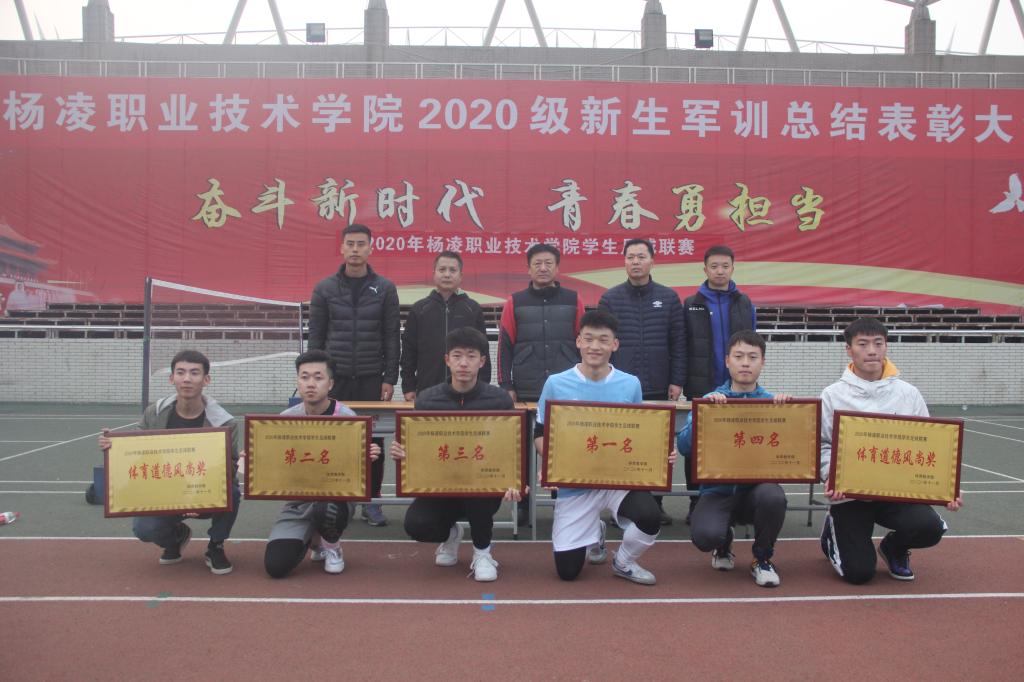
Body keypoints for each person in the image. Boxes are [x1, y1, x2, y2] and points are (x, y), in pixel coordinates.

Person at [535, 309, 677, 585]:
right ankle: (595, 532)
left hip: (618, 480)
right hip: (575, 482)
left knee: (650, 517)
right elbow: (540, 433)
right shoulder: (556, 383)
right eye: (588, 339)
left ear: (615, 344)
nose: (595, 346)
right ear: (578, 341)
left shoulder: (630, 384)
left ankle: (623, 561)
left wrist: (661, 453)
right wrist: (552, 462)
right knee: (567, 572)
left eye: (603, 340)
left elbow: (640, 433)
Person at [819, 317, 963, 584]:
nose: (871, 351)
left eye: (878, 343)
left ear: (886, 346)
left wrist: (946, 488)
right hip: (850, 496)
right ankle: (832, 532)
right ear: (849, 349)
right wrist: (831, 476)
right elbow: (823, 444)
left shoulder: (908, 394)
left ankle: (894, 548)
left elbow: (930, 444)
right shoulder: (832, 394)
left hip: (896, 492)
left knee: (930, 528)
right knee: (859, 574)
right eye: (863, 344)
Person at [391, 327, 522, 582]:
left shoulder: (499, 401)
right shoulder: (427, 401)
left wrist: (515, 480)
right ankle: (451, 535)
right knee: (417, 524)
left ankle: (482, 552)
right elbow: (416, 445)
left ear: (482, 361)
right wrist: (402, 451)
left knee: (478, 489)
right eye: (457, 356)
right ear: (447, 360)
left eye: (471, 356)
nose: (464, 363)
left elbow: (512, 448)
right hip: (441, 486)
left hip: (483, 486)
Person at [99, 350, 242, 575]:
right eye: (181, 372)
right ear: (171, 378)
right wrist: (114, 447)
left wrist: (197, 497)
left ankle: (216, 545)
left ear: (206, 380)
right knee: (144, 528)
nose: (187, 379)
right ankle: (176, 538)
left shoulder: (225, 422)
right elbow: (136, 452)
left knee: (232, 492)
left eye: (194, 373)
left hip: (202, 490)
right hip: (163, 491)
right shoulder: (154, 413)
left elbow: (229, 469)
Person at [676, 330, 789, 587]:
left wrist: (791, 414)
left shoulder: (773, 403)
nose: (745, 363)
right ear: (727, 361)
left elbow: (794, 449)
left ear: (762, 362)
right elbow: (684, 447)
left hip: (756, 490)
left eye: (752, 357)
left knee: (773, 497)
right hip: (718, 490)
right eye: (739, 356)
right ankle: (723, 542)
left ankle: (762, 559)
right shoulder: (709, 401)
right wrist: (704, 415)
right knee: (705, 536)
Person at [309, 223, 400, 527]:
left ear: (370, 248)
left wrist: (389, 378)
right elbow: (316, 337)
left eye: (361, 244)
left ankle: (371, 501)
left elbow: (391, 336)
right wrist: (316, 377)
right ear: (342, 248)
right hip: (335, 380)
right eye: (350, 244)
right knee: (334, 439)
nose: (355, 249)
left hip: (372, 377)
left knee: (374, 441)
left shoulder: (385, 288)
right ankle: (333, 499)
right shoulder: (324, 288)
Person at [263, 350, 381, 578]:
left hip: (335, 497)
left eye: (318, 377)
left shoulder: (348, 418)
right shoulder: (284, 419)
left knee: (326, 508)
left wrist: (366, 457)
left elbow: (356, 472)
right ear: (297, 381)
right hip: (299, 501)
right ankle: (315, 541)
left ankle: (332, 546)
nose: (310, 383)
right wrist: (255, 457)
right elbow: (275, 464)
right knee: (276, 566)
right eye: (304, 377)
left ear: (330, 383)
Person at [599, 237, 686, 525]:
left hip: (659, 384)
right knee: (621, 444)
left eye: (641, 257)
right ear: (624, 262)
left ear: (652, 261)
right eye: (630, 257)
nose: (635, 262)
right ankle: (620, 505)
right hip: (620, 387)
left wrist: (677, 380)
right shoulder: (610, 299)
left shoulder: (669, 298)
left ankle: (655, 504)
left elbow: (678, 342)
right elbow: (601, 343)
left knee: (655, 446)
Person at [498, 243, 584, 524]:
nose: (543, 268)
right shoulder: (515, 301)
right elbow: (505, 346)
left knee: (563, 447)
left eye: (548, 263)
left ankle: (564, 501)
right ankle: (523, 504)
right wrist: (506, 384)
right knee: (522, 449)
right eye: (537, 263)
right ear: (529, 269)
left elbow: (584, 343)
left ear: (557, 268)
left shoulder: (574, 300)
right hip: (526, 388)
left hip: (565, 389)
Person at [681, 245, 757, 520]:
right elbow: (683, 344)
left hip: (737, 388)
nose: (720, 271)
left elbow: (753, 343)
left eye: (725, 266)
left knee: (736, 440)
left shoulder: (744, 302)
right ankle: (695, 502)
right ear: (705, 269)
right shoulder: (692, 303)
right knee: (695, 445)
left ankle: (738, 501)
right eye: (714, 266)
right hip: (702, 385)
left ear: (733, 268)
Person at [401, 251, 490, 401]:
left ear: (461, 276)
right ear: (434, 274)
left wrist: (483, 386)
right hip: (427, 389)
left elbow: (483, 351)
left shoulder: (472, 309)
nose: (447, 275)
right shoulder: (419, 309)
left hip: (467, 391)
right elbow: (409, 352)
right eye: (442, 270)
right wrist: (408, 386)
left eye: (452, 270)